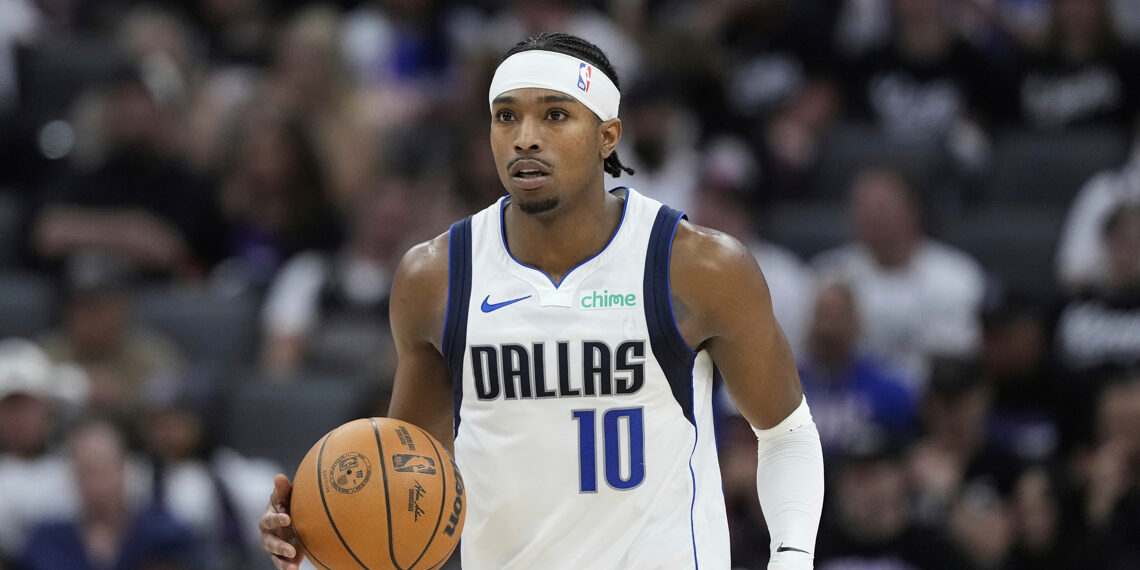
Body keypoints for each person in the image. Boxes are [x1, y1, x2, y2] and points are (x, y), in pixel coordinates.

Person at [260, 32, 824, 569]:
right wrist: (315, 537)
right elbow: (409, 489)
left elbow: (787, 435)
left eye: (555, 114)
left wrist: (793, 558)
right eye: (507, 115)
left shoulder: (698, 266)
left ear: (607, 136)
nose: (525, 136)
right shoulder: (435, 277)